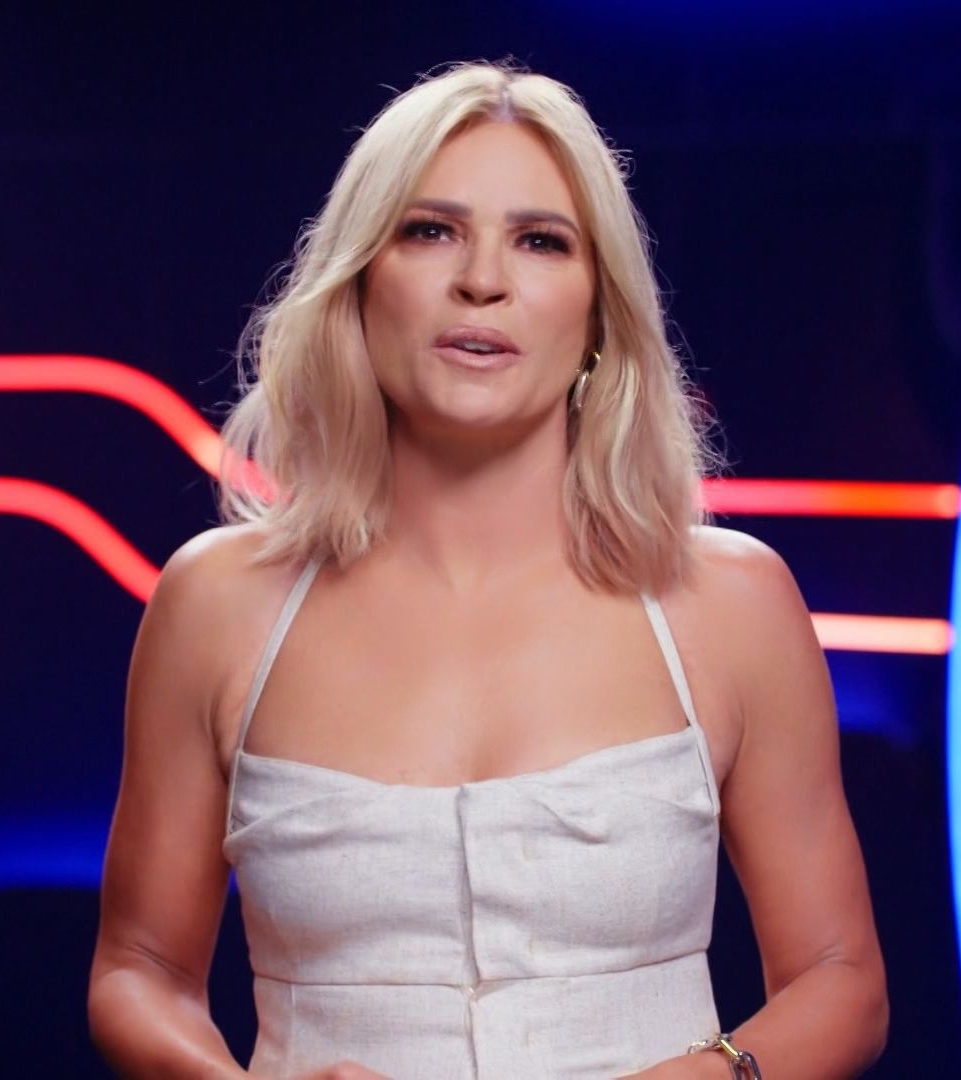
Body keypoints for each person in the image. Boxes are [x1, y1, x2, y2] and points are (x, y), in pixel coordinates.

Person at [87, 60, 887, 1079]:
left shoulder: (731, 604)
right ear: (359, 283)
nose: (482, 280)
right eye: (431, 231)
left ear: (599, 316)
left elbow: (841, 979)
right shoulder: (216, 603)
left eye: (541, 240)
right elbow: (140, 970)